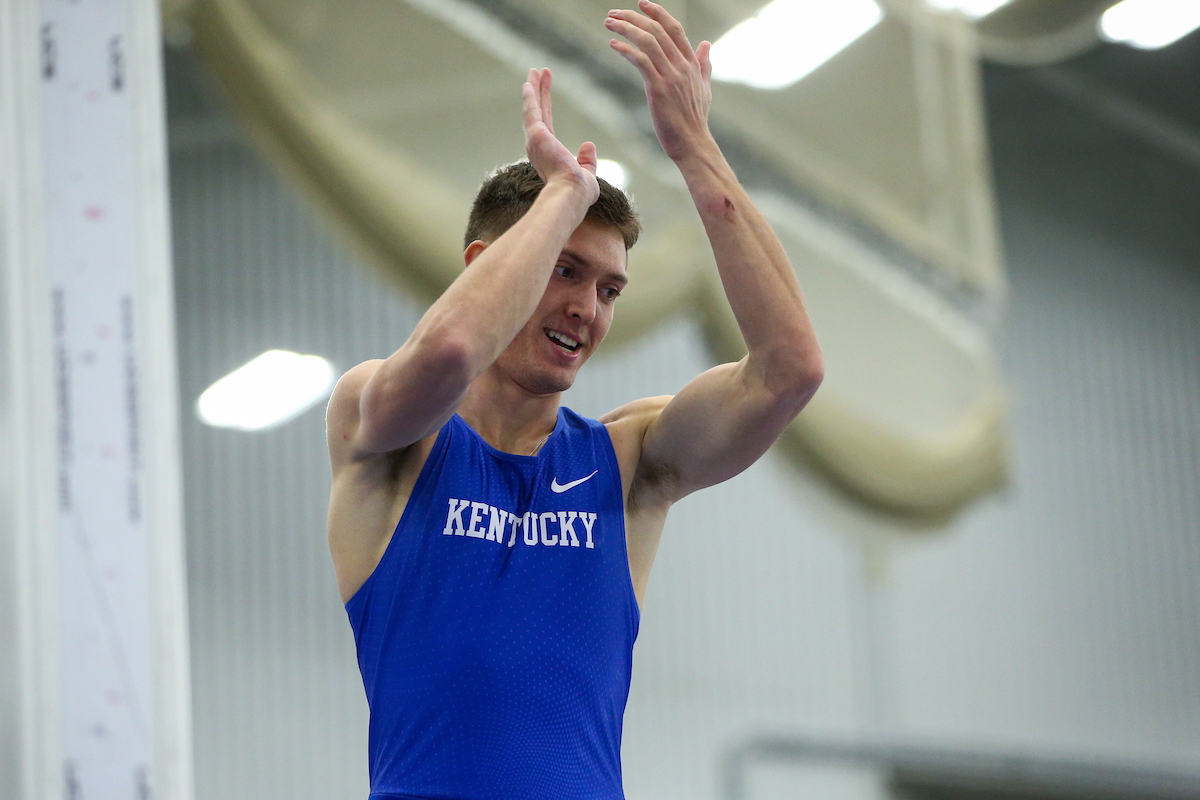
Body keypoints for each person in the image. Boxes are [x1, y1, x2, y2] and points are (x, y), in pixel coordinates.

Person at [325, 2, 823, 797]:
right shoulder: (386, 435)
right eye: (565, 270)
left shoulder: (629, 464)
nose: (589, 310)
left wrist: (694, 149)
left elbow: (789, 370)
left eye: (610, 288)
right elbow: (453, 349)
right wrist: (563, 193)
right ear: (488, 263)